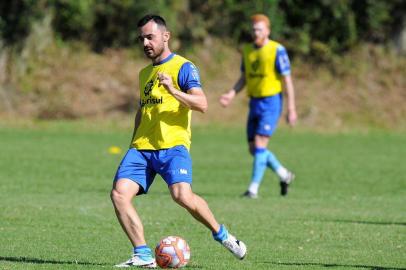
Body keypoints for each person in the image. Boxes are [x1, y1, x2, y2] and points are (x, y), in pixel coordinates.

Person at [111, 14, 247, 268]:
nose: (145, 43)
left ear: (166, 36)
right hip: (141, 148)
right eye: (141, 39)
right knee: (119, 194)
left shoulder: (184, 67)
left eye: (150, 37)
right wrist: (132, 142)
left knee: (182, 196)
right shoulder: (144, 74)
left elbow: (202, 104)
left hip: (173, 146)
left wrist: (174, 90)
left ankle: (222, 235)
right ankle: (142, 255)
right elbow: (142, 110)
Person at [219, 14, 297, 198]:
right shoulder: (247, 50)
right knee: (254, 149)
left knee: (261, 144)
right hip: (254, 102)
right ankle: (284, 174)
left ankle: (253, 189)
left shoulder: (277, 50)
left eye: (260, 29)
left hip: (271, 102)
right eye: (254, 29)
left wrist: (291, 109)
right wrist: (231, 94)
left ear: (268, 31)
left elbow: (288, 80)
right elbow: (244, 78)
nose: (256, 32)